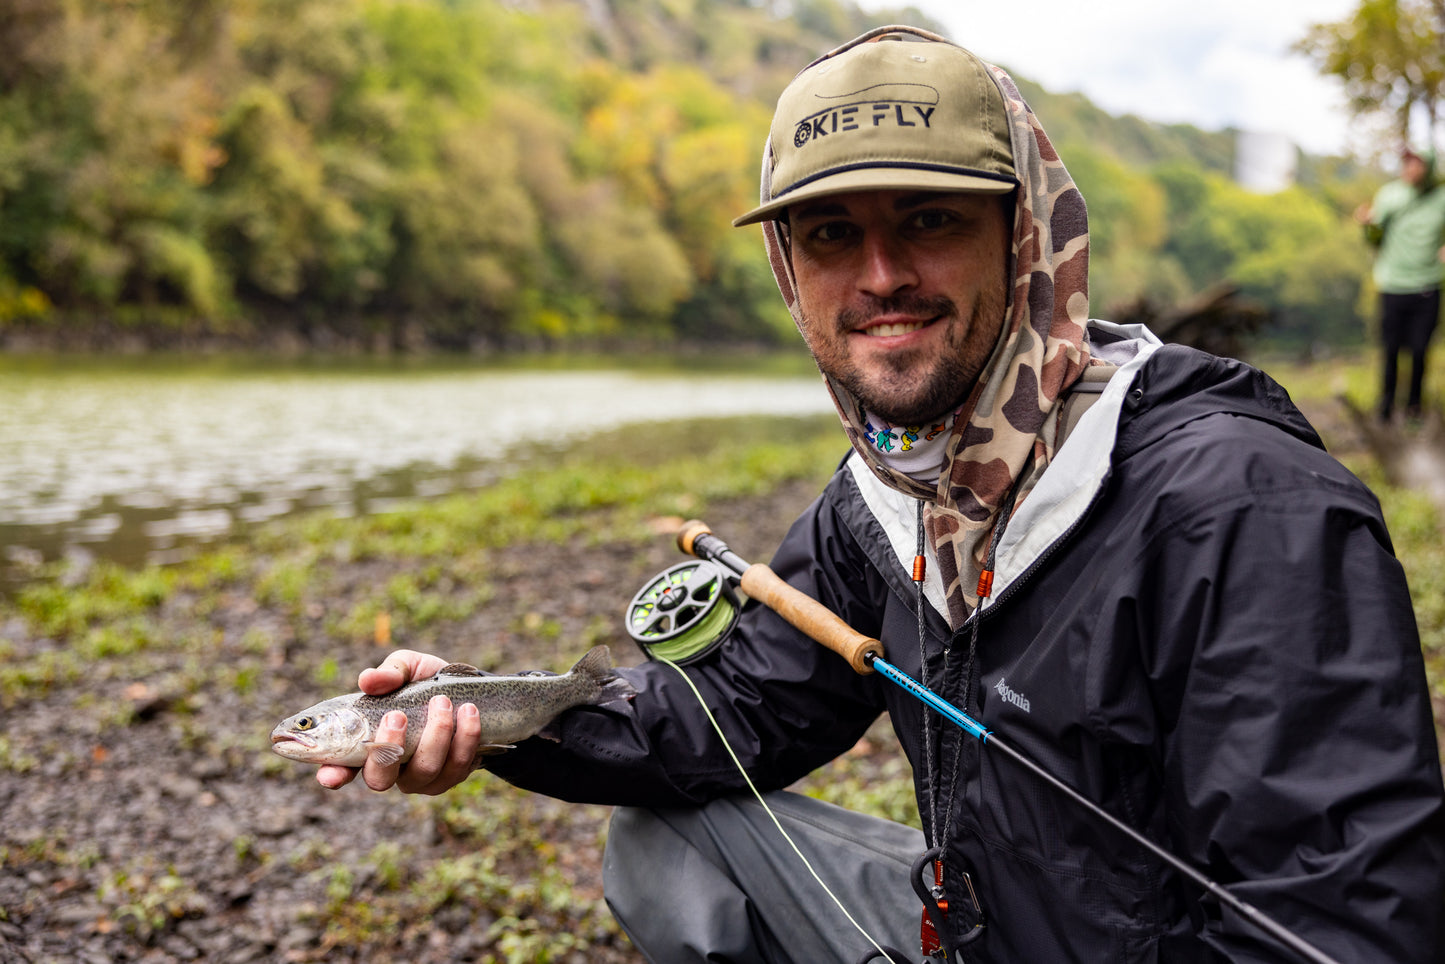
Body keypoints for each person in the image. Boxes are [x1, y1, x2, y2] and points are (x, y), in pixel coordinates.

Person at [316, 26, 1445, 963]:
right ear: (788, 273)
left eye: (928, 219)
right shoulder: (882, 498)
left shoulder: (1246, 506)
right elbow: (728, 715)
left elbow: (1342, 922)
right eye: (828, 235)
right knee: (669, 844)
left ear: (1025, 235)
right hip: (974, 931)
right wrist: (485, 714)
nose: (879, 277)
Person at [1355, 145, 1445, 423]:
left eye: (1416, 163)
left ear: (1428, 167)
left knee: (1420, 351)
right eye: (1407, 163)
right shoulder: (1390, 194)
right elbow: (1375, 240)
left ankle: (1414, 409)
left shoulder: (1440, 198)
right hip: (1393, 284)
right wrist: (1368, 224)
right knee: (1391, 350)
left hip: (1427, 285)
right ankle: (1385, 408)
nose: (1410, 168)